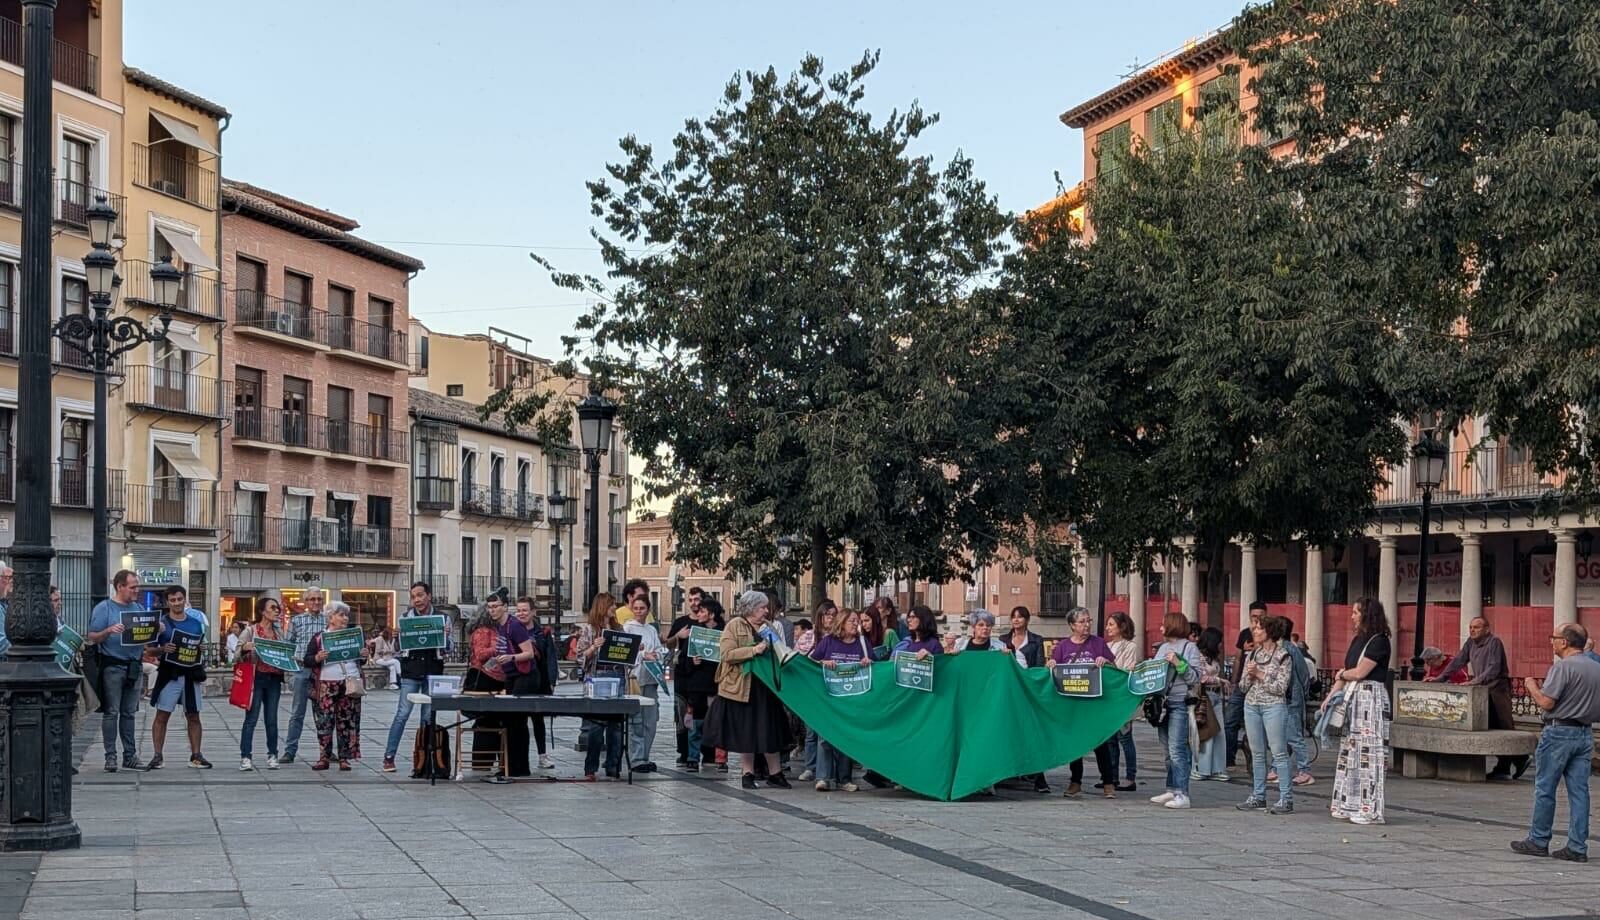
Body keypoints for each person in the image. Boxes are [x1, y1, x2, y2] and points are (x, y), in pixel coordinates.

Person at [1511, 624, 1600, 862]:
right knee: (1580, 792)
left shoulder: (1563, 668)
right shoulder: (1596, 667)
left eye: (1554, 638)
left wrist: (1531, 686)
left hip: (1558, 731)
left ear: (1565, 642)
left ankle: (1538, 840)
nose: (1551, 641)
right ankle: (1577, 846)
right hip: (1584, 733)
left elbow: (1547, 703)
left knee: (1545, 788)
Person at [703, 589, 791, 789]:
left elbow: (780, 651)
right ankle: (747, 773)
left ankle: (775, 773)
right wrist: (753, 650)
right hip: (741, 686)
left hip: (766, 686)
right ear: (750, 608)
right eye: (762, 607)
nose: (766, 611)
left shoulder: (769, 626)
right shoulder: (734, 625)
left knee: (769, 729)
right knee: (747, 731)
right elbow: (727, 654)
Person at [1429, 616, 1527, 780]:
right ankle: (1507, 765)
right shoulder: (1470, 643)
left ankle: (1518, 759)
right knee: (1490, 727)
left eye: (1477, 627)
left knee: (1503, 726)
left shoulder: (1494, 642)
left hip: (1497, 690)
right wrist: (1440, 678)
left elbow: (1493, 668)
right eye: (1471, 627)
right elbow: (1458, 661)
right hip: (1482, 690)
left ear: (1487, 629)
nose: (1472, 630)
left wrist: (1474, 681)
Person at [1323, 597, 1392, 825]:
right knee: (1349, 752)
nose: (1352, 615)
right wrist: (1331, 696)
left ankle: (1368, 808)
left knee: (1368, 754)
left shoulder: (1379, 641)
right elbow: (1347, 671)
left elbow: (1359, 672)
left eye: (1356, 612)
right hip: (1353, 698)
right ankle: (1346, 802)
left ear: (1366, 614)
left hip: (1369, 699)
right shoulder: (1357, 640)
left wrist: (1342, 675)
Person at [382, 582, 451, 773]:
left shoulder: (443, 618)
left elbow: (449, 649)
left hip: (433, 672)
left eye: (420, 595)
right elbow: (397, 650)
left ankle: (424, 761)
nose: (417, 600)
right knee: (402, 714)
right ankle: (389, 756)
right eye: (413, 597)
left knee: (428, 717)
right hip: (411, 671)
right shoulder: (405, 618)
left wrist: (446, 637)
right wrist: (397, 638)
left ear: (428, 595)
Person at [86, 570, 147, 772]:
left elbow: (145, 634)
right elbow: (93, 636)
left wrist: (157, 629)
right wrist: (109, 630)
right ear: (120, 586)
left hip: (134, 666)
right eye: (132, 587)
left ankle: (129, 755)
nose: (136, 590)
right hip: (113, 666)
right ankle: (110, 756)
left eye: (137, 586)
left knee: (129, 712)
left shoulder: (138, 608)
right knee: (111, 712)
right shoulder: (104, 608)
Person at [1052, 607, 1116, 798]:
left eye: (1088, 621)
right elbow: (1053, 670)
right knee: (1075, 744)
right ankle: (1075, 781)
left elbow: (1115, 668)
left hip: (1095, 704)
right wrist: (1052, 665)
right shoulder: (1063, 647)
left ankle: (1108, 782)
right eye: (1082, 622)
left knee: (1101, 743)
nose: (1087, 625)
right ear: (1072, 625)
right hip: (1072, 704)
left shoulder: (1098, 643)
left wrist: (1105, 661)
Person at [808, 608, 874, 791]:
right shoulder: (828, 642)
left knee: (846, 736)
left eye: (857, 621)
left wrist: (868, 663)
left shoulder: (862, 642)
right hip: (829, 697)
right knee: (824, 737)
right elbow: (810, 663)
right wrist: (822, 663)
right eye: (852, 620)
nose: (856, 624)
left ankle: (844, 779)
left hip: (851, 699)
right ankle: (823, 777)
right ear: (841, 622)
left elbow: (875, 666)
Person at [147, 586, 211, 770]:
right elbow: (149, 649)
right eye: (173, 600)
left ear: (185, 599)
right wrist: (162, 649)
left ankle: (196, 755)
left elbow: (200, 644)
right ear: (168, 602)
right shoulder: (161, 624)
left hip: (190, 673)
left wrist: (201, 649)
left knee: (194, 715)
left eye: (179, 599)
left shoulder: (195, 623)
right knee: (162, 715)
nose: (176, 603)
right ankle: (157, 755)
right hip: (169, 673)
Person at [1236, 616, 1295, 814]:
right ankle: (1258, 795)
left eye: (1259, 628)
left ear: (1269, 631)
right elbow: (1243, 686)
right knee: (1257, 753)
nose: (1255, 631)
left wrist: (1260, 674)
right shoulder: (1252, 654)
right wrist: (1250, 675)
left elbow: (1280, 687)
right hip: (1252, 705)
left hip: (1273, 707)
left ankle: (1286, 798)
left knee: (1279, 752)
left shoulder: (1283, 656)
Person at [1151, 612, 1203, 809]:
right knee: (1167, 750)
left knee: (1177, 749)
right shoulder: (1163, 647)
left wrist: (1178, 663)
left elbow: (1194, 678)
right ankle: (1171, 788)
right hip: (1163, 703)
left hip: (1180, 703)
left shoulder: (1190, 648)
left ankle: (1182, 793)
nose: (1161, 627)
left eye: (1164, 624)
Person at [484, 589, 538, 778]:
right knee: (509, 721)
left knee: (517, 721)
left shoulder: (514, 626)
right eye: (489, 607)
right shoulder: (500, 627)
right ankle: (510, 765)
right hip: (512, 676)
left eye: (495, 607)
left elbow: (529, 653)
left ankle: (520, 766)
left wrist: (511, 657)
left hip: (525, 676)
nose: (492, 611)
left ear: (505, 607)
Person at [304, 601, 362, 771]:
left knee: (347, 721)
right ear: (330, 618)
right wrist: (317, 658)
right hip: (325, 684)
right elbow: (307, 659)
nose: (345, 618)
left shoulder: (353, 636)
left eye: (345, 615)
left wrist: (364, 655)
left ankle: (345, 757)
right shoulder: (318, 638)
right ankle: (324, 757)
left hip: (348, 682)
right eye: (341, 615)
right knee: (324, 722)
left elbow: (359, 658)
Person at [575, 592, 624, 780]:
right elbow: (580, 657)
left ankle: (613, 765)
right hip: (597, 677)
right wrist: (594, 647)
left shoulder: (618, 628)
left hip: (616, 676)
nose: (614, 608)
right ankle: (591, 767)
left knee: (616, 726)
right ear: (603, 606)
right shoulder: (589, 629)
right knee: (596, 727)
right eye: (612, 605)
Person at [238, 597, 288, 771]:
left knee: (272, 719)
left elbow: (285, 653)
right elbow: (235, 654)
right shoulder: (251, 631)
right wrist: (245, 648)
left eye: (278, 609)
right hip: (256, 677)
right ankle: (245, 756)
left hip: (274, 678)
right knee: (251, 718)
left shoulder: (279, 632)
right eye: (273, 608)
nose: (276, 611)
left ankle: (272, 754)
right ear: (262, 611)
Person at [281, 585, 328, 764]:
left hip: (322, 670)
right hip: (301, 668)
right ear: (306, 601)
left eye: (319, 599)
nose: (316, 602)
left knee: (324, 713)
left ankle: (326, 750)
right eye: (312, 599)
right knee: (297, 713)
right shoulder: (297, 620)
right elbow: (288, 644)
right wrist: (292, 669)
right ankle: (290, 751)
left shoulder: (328, 619)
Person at [676, 595, 722, 772]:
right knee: (695, 723)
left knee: (715, 721)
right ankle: (693, 757)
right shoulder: (695, 632)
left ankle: (714, 756)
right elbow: (683, 660)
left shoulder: (723, 631)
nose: (699, 613)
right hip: (697, 685)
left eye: (703, 611)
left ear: (711, 614)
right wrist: (692, 662)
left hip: (716, 684)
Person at [621, 592, 665, 773]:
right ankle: (636, 757)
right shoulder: (627, 628)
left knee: (651, 720)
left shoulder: (651, 629)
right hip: (635, 679)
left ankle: (645, 755)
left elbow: (659, 650)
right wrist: (642, 654)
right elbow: (625, 651)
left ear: (648, 609)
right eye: (636, 608)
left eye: (642, 608)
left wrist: (656, 655)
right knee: (636, 721)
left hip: (651, 678)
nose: (639, 611)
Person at [514, 596, 559, 770]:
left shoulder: (543, 633)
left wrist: (552, 680)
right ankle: (519, 758)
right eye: (518, 610)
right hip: (519, 680)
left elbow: (551, 658)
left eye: (524, 610)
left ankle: (542, 756)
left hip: (540, 680)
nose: (521, 613)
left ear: (533, 612)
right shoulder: (513, 631)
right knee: (519, 720)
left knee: (538, 719)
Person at [463, 605, 508, 774]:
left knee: (493, 721)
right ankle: (483, 760)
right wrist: (498, 649)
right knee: (487, 720)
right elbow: (480, 654)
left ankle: (488, 759)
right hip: (484, 679)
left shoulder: (493, 630)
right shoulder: (483, 631)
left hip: (494, 679)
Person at [796, 602, 837, 782]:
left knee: (828, 732)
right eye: (827, 614)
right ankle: (810, 767)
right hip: (812, 688)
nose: (831, 618)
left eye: (834, 614)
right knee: (811, 731)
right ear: (820, 617)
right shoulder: (808, 637)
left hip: (833, 688)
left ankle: (831, 770)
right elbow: (799, 661)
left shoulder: (840, 637)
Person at [667, 588, 708, 764]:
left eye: (697, 599)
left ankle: (707, 751)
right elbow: (668, 644)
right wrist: (678, 635)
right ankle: (684, 751)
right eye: (690, 599)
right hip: (683, 674)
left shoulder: (707, 622)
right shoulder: (680, 622)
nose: (693, 603)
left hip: (703, 675)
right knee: (682, 712)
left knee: (704, 714)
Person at [1275, 618, 1316, 787]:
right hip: (1286, 697)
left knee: (1293, 735)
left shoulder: (1289, 648)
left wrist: (1302, 694)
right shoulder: (1283, 647)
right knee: (1282, 735)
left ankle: (1304, 770)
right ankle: (1277, 768)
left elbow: (1303, 674)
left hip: (1291, 697)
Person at [1227, 601, 1267, 768]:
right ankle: (1229, 756)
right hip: (1242, 683)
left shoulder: (1267, 633)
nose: (1256, 620)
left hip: (1259, 685)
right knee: (1230, 720)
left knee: (1256, 724)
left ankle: (1254, 757)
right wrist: (1234, 681)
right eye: (1253, 617)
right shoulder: (1244, 633)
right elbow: (1237, 658)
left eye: (1260, 617)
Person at [1104, 611, 1140, 792]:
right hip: (1109, 697)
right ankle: (1112, 776)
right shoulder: (1107, 645)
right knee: (1110, 740)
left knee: (1125, 737)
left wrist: (1110, 666)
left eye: (1111, 624)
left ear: (1121, 626)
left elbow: (1127, 671)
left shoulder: (1130, 647)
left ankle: (1130, 776)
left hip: (1123, 696)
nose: (1108, 628)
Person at [1191, 626, 1231, 783]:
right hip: (1204, 695)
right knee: (1207, 731)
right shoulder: (1198, 656)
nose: (1221, 644)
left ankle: (1218, 768)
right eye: (1219, 641)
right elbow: (1200, 677)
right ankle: (1202, 767)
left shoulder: (1213, 658)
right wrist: (1220, 680)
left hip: (1216, 695)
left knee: (1219, 732)